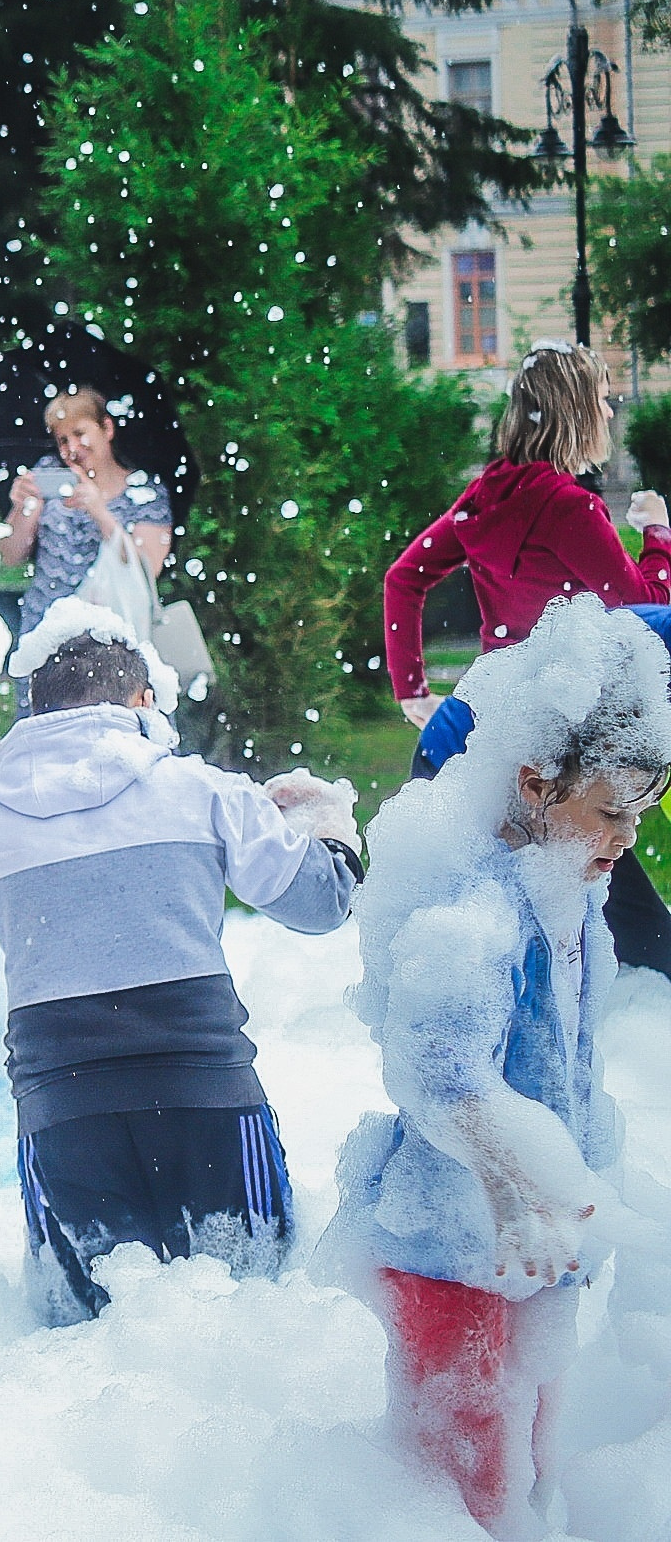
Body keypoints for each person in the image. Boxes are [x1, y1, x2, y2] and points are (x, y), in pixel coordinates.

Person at [0, 601, 364, 1323]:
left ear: (35, 713)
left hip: (64, 1115)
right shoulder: (204, 792)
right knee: (257, 1320)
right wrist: (329, 828)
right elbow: (324, 905)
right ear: (142, 701)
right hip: (207, 1098)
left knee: (81, 1348)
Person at [326, 595, 668, 1538]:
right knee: (461, 1485)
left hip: (536, 1245)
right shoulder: (471, 913)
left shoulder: (572, 891)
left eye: (641, 813)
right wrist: (513, 1191)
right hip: (452, 1245)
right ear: (534, 783)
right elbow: (441, 1076)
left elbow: (567, 1066)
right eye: (611, 810)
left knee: (531, 1455)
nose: (627, 839)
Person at [385, 341, 671, 733]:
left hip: (501, 713)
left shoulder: (485, 496)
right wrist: (658, 532)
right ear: (576, 413)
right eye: (602, 400)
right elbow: (647, 614)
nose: (608, 412)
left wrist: (411, 691)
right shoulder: (570, 508)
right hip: (576, 718)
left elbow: (403, 576)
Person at [412, 604, 671, 975]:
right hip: (465, 759)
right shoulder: (646, 646)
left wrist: (621, 809)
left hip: (575, 789)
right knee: (506, 938)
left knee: (606, 935)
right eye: (618, 814)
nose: (632, 836)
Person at [0, 387, 175, 640]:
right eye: (63, 440)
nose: (72, 448)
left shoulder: (145, 493)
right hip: (43, 632)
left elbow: (146, 571)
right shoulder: (48, 473)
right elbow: (9, 556)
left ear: (107, 428)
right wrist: (23, 507)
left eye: (80, 434)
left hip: (108, 640)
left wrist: (100, 512)